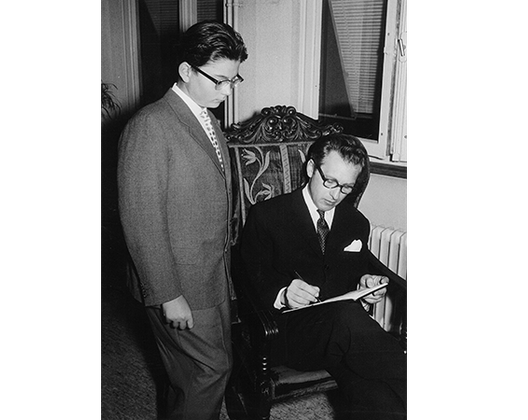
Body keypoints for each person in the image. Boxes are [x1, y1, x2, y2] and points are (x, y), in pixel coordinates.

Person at [117, 20, 248, 420]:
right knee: (210, 371)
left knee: (189, 376)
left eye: (233, 79)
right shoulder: (150, 126)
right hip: (179, 282)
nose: (227, 91)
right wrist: (167, 294)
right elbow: (141, 220)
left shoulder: (206, 119)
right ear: (187, 71)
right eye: (219, 80)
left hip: (212, 276)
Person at [239, 133, 407, 420]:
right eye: (330, 181)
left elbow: (357, 268)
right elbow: (247, 277)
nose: (336, 194)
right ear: (310, 169)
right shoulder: (267, 215)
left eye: (346, 187)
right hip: (289, 336)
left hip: (343, 338)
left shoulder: (356, 223)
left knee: (382, 400)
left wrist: (365, 283)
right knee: (347, 318)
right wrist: (282, 293)